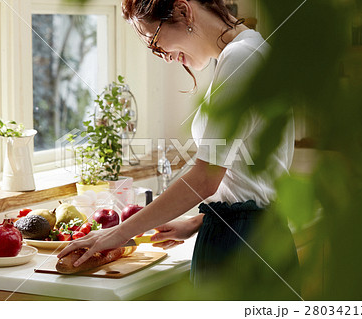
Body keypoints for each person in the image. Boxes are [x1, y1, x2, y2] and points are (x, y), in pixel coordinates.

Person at [58, 0, 300, 299]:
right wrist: (199, 221)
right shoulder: (251, 48)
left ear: (184, 11)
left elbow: (204, 179)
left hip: (240, 247)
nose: (166, 58)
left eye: (156, 42)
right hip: (251, 235)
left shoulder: (240, 58)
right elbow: (253, 179)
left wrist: (118, 233)